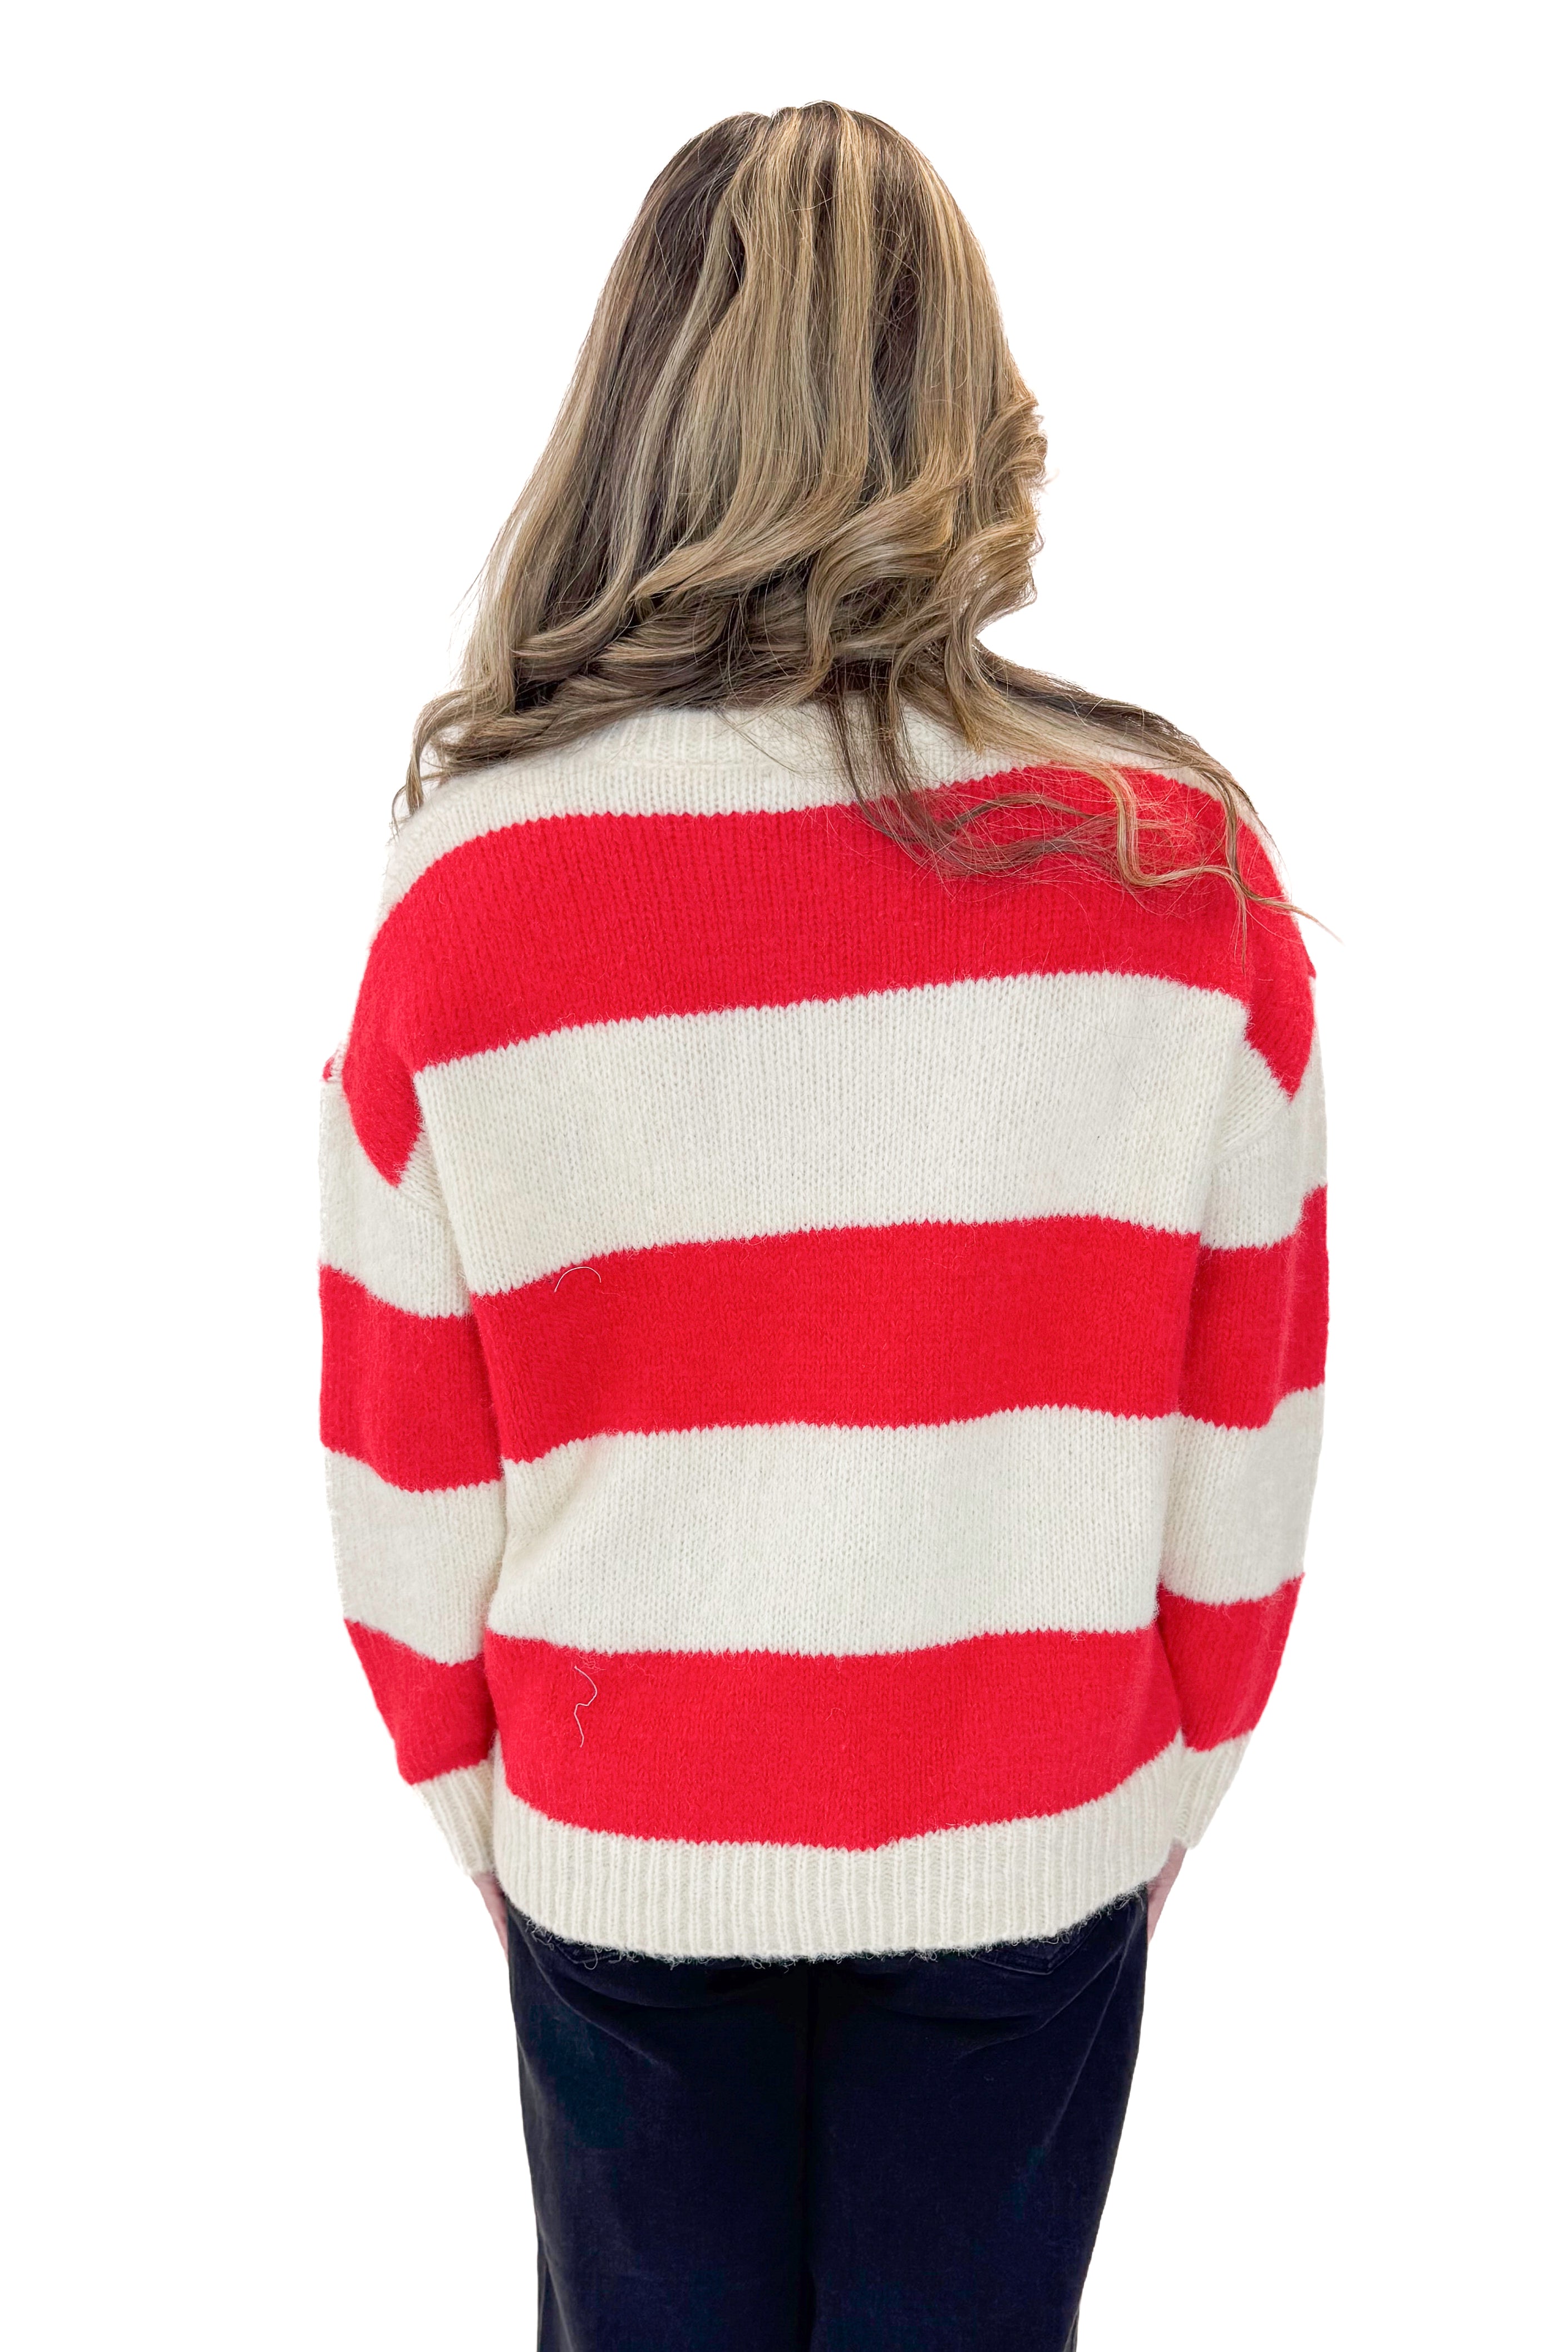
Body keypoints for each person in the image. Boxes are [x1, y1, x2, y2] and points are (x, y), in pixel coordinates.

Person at [318, 100, 1325, 2351]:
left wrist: (502, 1809)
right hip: (1033, 1835)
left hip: (622, 1847)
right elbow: (1245, 1440)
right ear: (966, 412)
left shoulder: (469, 891)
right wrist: (1154, 1778)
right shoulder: (1179, 882)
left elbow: (401, 1476)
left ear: (636, 411)